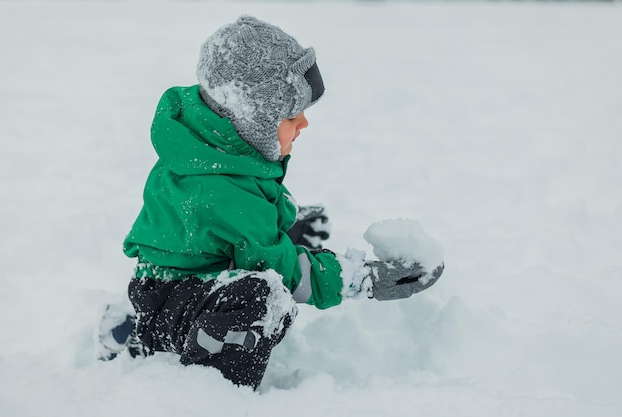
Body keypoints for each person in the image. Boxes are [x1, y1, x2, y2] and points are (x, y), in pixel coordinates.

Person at [97, 16, 443, 389]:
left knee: (261, 237)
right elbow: (278, 267)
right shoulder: (223, 191)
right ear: (252, 120)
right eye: (292, 116)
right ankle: (206, 388)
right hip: (180, 302)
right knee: (263, 296)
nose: (305, 124)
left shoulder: (206, 145)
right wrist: (361, 279)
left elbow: (238, 219)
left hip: (164, 282)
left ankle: (136, 324)